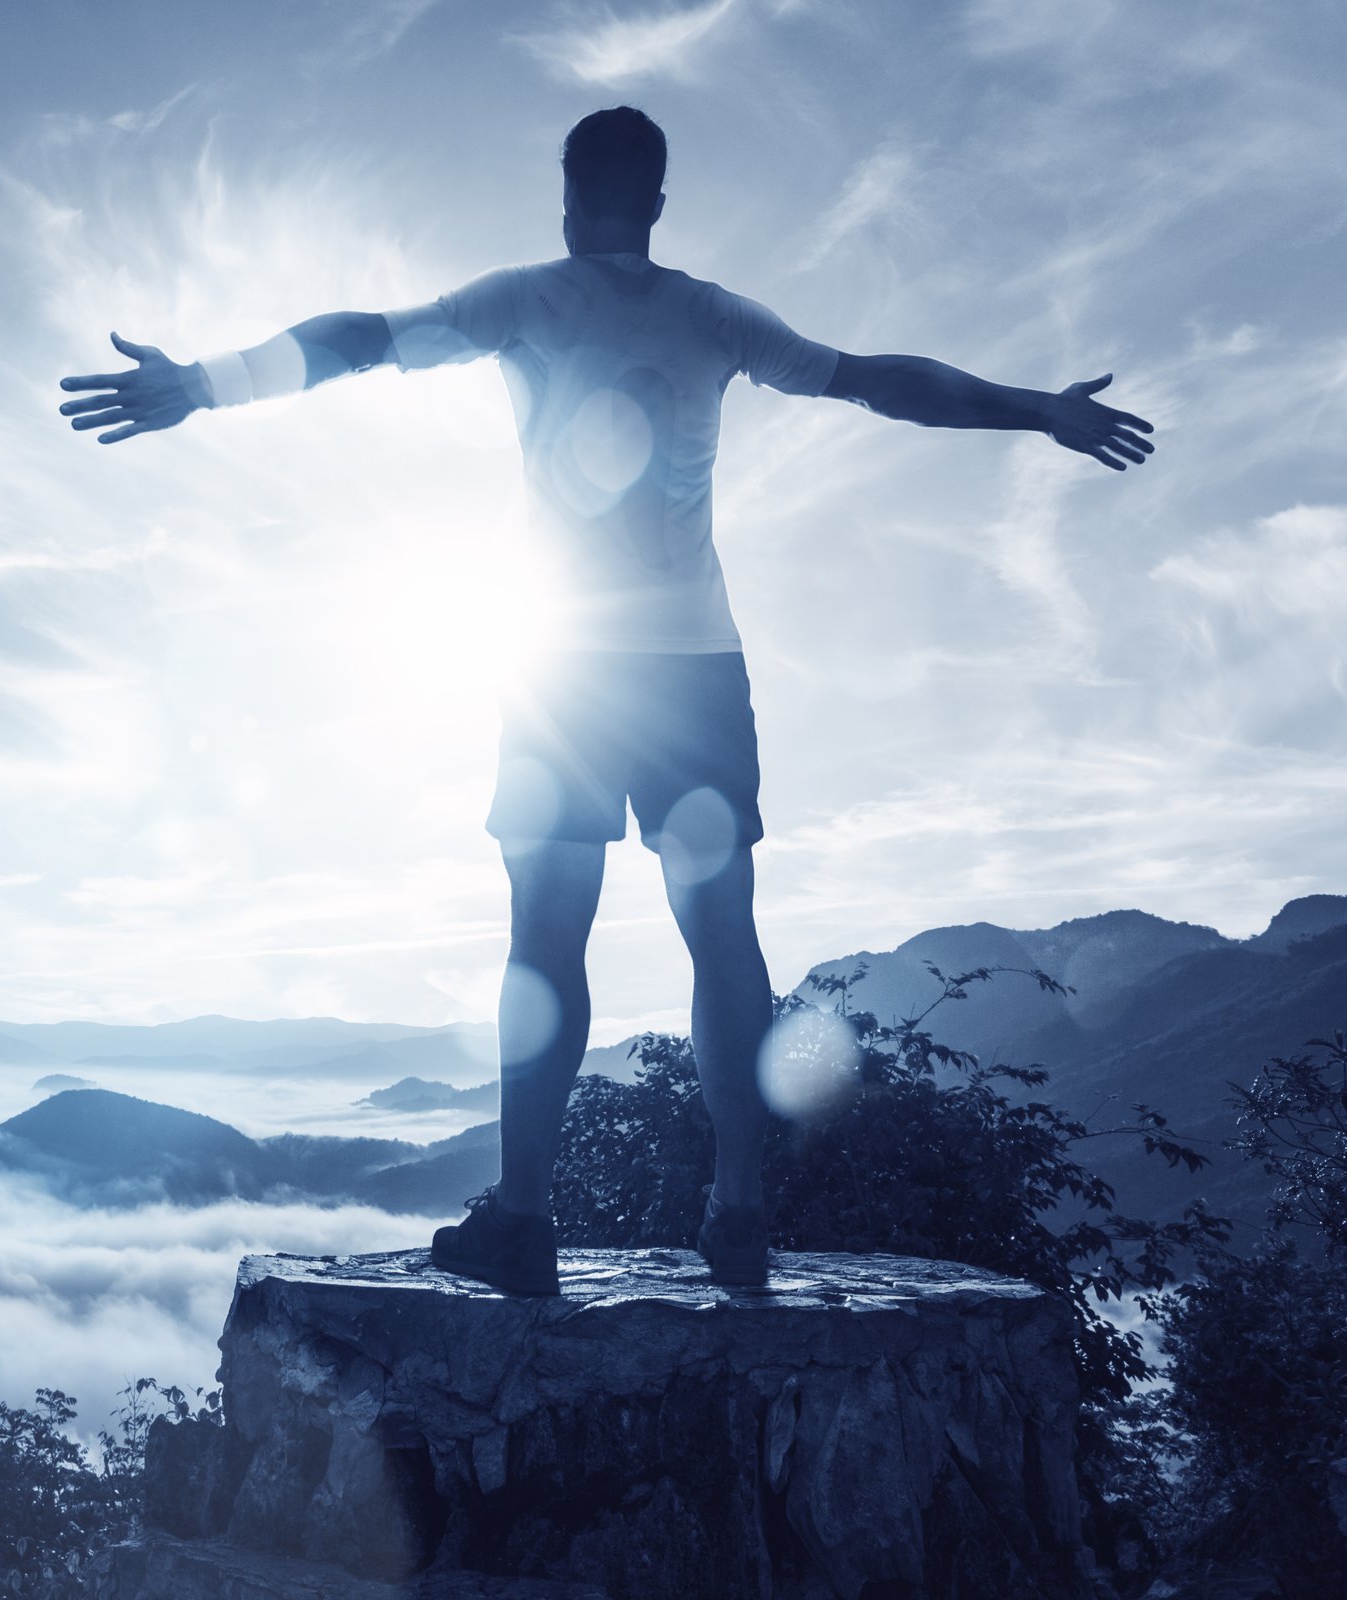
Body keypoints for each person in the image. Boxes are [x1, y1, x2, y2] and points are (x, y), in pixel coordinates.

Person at [56, 106, 1154, 1296]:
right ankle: (739, 1213)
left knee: (545, 934)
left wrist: (205, 386)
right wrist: (1039, 409)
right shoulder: (717, 316)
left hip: (565, 667)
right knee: (721, 930)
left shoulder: (525, 298)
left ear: (569, 195)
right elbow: (882, 383)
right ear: (661, 204)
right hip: (695, 669)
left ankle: (524, 1217)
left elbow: (362, 338)